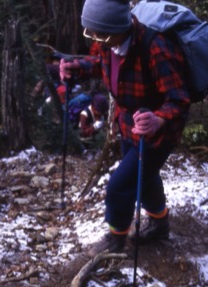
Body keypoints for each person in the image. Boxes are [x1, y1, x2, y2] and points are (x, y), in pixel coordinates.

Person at [60, 0, 191, 253]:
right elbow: (102, 65)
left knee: (119, 185)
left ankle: (115, 240)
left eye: (101, 34)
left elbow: (179, 99)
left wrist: (158, 119)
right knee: (145, 177)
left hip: (156, 134)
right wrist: (78, 67)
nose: (96, 39)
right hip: (127, 125)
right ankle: (160, 224)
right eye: (91, 32)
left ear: (120, 27)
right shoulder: (110, 42)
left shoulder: (155, 49)